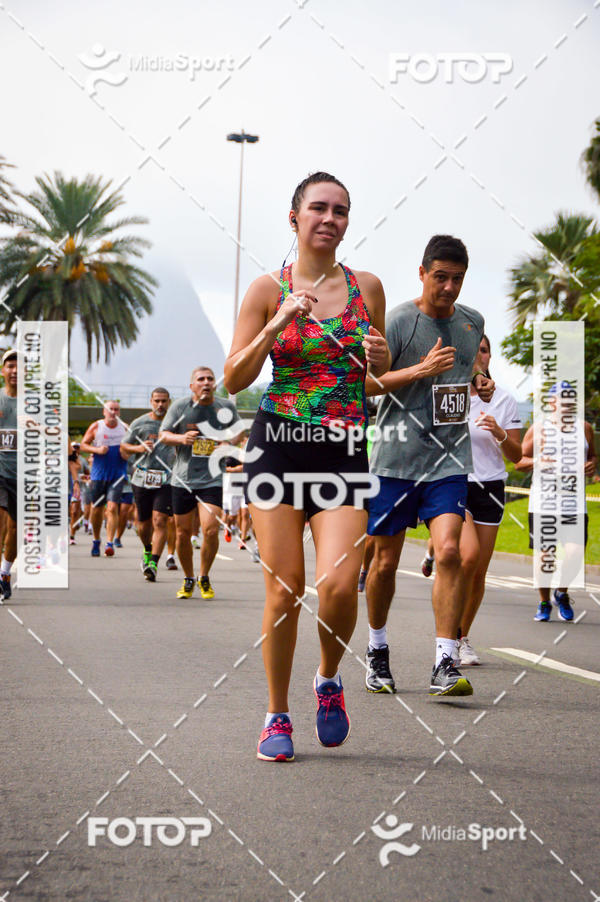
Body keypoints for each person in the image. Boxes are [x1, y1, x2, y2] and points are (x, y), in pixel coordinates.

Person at [224, 171, 390, 762]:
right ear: (294, 218)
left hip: (343, 449)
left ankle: (327, 680)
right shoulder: (267, 288)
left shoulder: (367, 287)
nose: (329, 217)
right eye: (317, 208)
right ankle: (276, 713)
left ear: (347, 222)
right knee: (286, 588)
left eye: (340, 210)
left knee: (341, 584)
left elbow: (371, 379)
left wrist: (382, 355)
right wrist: (276, 324)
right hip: (278, 444)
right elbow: (234, 377)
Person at [364, 234, 494, 697]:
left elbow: (467, 370)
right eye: (440, 277)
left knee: (451, 552)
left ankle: (445, 660)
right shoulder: (398, 321)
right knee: (383, 563)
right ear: (422, 273)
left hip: (448, 461)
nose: (449, 288)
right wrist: (419, 370)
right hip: (396, 461)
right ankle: (377, 648)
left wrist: (479, 380)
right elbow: (369, 385)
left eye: (457, 279)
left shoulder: (472, 322)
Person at [456, 334, 522, 665]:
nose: (478, 355)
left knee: (478, 571)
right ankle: (448, 634)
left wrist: (499, 432)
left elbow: (516, 454)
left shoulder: (505, 401)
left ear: (489, 357)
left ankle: (461, 637)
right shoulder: (450, 397)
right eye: (473, 350)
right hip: (455, 484)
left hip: (491, 486)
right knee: (467, 558)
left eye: (484, 350)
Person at [516, 385, 597, 622]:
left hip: (574, 503)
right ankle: (543, 602)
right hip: (544, 502)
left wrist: (591, 464)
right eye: (563, 399)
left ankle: (561, 592)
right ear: (552, 402)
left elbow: (592, 456)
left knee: (574, 554)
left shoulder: (585, 428)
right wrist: (539, 461)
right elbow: (518, 460)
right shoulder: (539, 428)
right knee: (546, 558)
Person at [160, 367, 239, 599]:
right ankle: (188, 578)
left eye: (210, 379)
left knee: (211, 529)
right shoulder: (180, 407)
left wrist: (227, 443)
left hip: (211, 478)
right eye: (200, 380)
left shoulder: (225, 407)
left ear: (215, 384)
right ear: (192, 386)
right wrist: (181, 438)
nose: (206, 383)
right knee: (183, 533)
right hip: (182, 479)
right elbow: (164, 434)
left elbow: (237, 434)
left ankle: (204, 576)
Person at [121, 388, 175, 581]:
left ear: (169, 402)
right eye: (157, 401)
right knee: (143, 524)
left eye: (164, 401)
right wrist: (139, 447)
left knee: (160, 520)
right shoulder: (140, 423)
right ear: (151, 401)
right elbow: (124, 447)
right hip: (142, 478)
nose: (160, 405)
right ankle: (147, 549)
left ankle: (153, 562)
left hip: (167, 479)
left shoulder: (175, 423)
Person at [80, 401, 128, 557]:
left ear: (119, 412)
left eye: (116, 409)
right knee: (97, 509)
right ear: (104, 411)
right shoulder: (97, 426)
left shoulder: (125, 428)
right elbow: (83, 445)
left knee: (113, 508)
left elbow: (133, 447)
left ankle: (109, 542)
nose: (113, 412)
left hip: (118, 474)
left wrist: (127, 453)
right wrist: (97, 449)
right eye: (110, 409)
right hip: (99, 475)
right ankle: (96, 540)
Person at [0, 350, 18, 598]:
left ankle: (5, 572)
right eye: (10, 365)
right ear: (3, 370)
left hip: (25, 476)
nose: (15, 370)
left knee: (15, 528)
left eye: (20, 367)